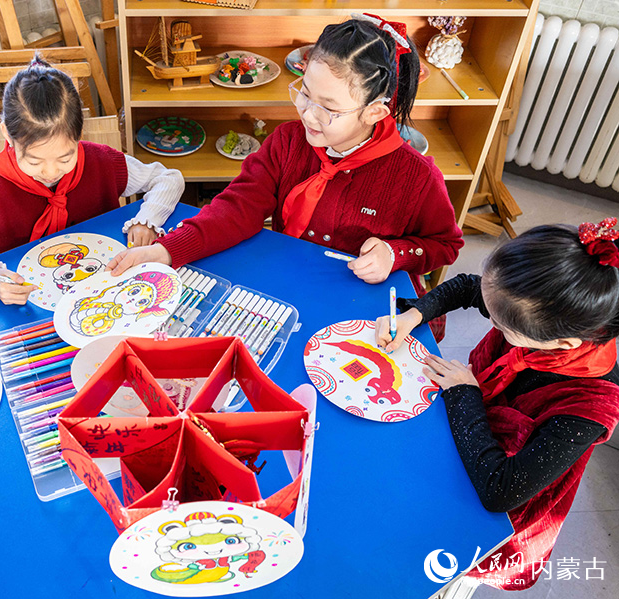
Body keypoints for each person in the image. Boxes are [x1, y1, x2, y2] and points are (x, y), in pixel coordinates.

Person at [108, 15, 463, 337]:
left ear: (373, 112)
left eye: (329, 108)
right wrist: (165, 251)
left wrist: (395, 252)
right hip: (289, 289)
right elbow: (236, 209)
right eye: (305, 94)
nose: (309, 115)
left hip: (360, 313)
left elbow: (445, 245)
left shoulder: (416, 177)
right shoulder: (288, 142)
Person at [375, 221, 619, 595]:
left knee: (441, 578)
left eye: (503, 328)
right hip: (463, 442)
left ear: (562, 342)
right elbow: (470, 287)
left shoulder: (588, 408)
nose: (492, 321)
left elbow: (501, 492)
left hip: (493, 518)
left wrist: (465, 394)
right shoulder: (534, 311)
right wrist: (415, 315)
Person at [0, 55, 184, 306]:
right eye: (34, 161)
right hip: (28, 309)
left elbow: (168, 178)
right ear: (7, 135)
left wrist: (146, 219)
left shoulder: (100, 162)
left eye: (65, 158)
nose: (51, 172)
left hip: (108, 293)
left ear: (78, 135)